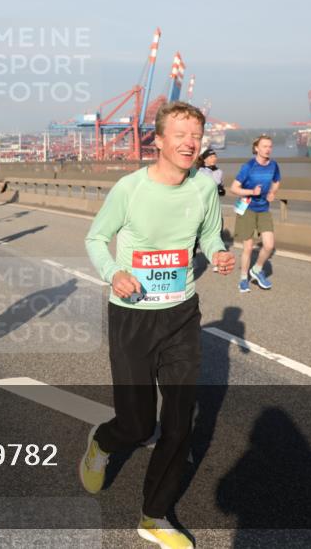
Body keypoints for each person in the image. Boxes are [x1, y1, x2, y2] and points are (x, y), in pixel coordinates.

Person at [82, 100, 236, 549]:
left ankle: (154, 515)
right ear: (159, 140)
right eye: (182, 136)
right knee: (136, 425)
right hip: (132, 315)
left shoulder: (204, 189)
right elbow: (95, 237)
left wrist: (218, 252)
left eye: (197, 137)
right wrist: (116, 273)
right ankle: (102, 444)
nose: (191, 144)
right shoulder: (129, 190)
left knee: (180, 421)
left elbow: (208, 234)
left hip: (181, 312)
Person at [230, 134, 280, 292]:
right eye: (264, 146)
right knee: (248, 248)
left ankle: (257, 270)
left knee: (269, 245)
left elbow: (277, 181)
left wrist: (272, 192)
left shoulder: (274, 166)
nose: (268, 149)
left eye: (270, 146)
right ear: (256, 148)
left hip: (264, 209)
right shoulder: (248, 166)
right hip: (247, 208)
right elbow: (234, 188)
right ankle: (243, 279)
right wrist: (251, 191)